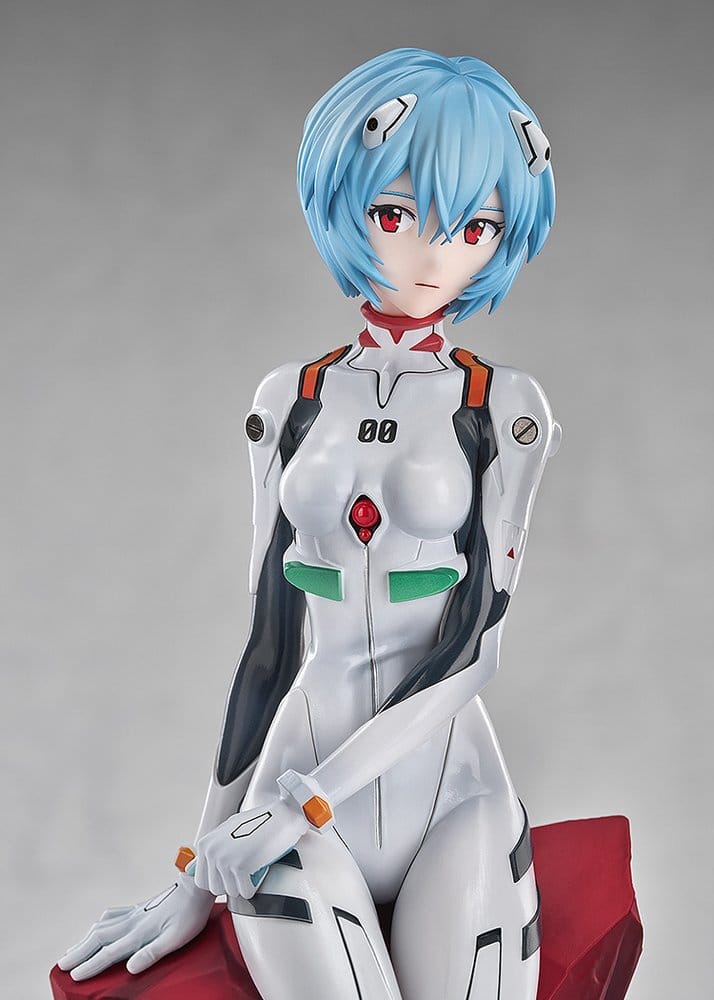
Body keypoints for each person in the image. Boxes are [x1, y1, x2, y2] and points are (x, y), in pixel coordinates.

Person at [59, 48, 560, 1000]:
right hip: (292, 777)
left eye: (475, 228)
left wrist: (306, 804)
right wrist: (194, 871)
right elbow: (266, 642)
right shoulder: (289, 399)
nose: (433, 257)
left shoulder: (504, 407)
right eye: (395, 214)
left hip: (449, 789)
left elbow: (473, 650)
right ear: (343, 202)